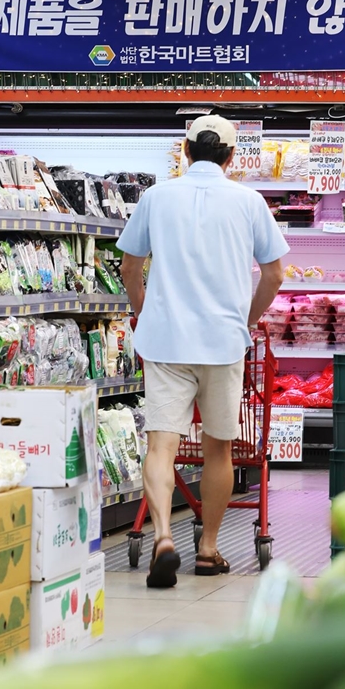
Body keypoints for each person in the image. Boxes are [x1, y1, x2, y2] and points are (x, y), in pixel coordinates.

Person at [116, 114, 287, 588]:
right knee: (219, 450)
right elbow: (274, 275)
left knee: (161, 445)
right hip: (223, 342)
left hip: (166, 341)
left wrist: (144, 312)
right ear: (231, 157)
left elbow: (130, 267)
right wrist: (247, 321)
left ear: (186, 151)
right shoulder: (249, 202)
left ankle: (164, 536)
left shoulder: (156, 197)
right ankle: (208, 550)